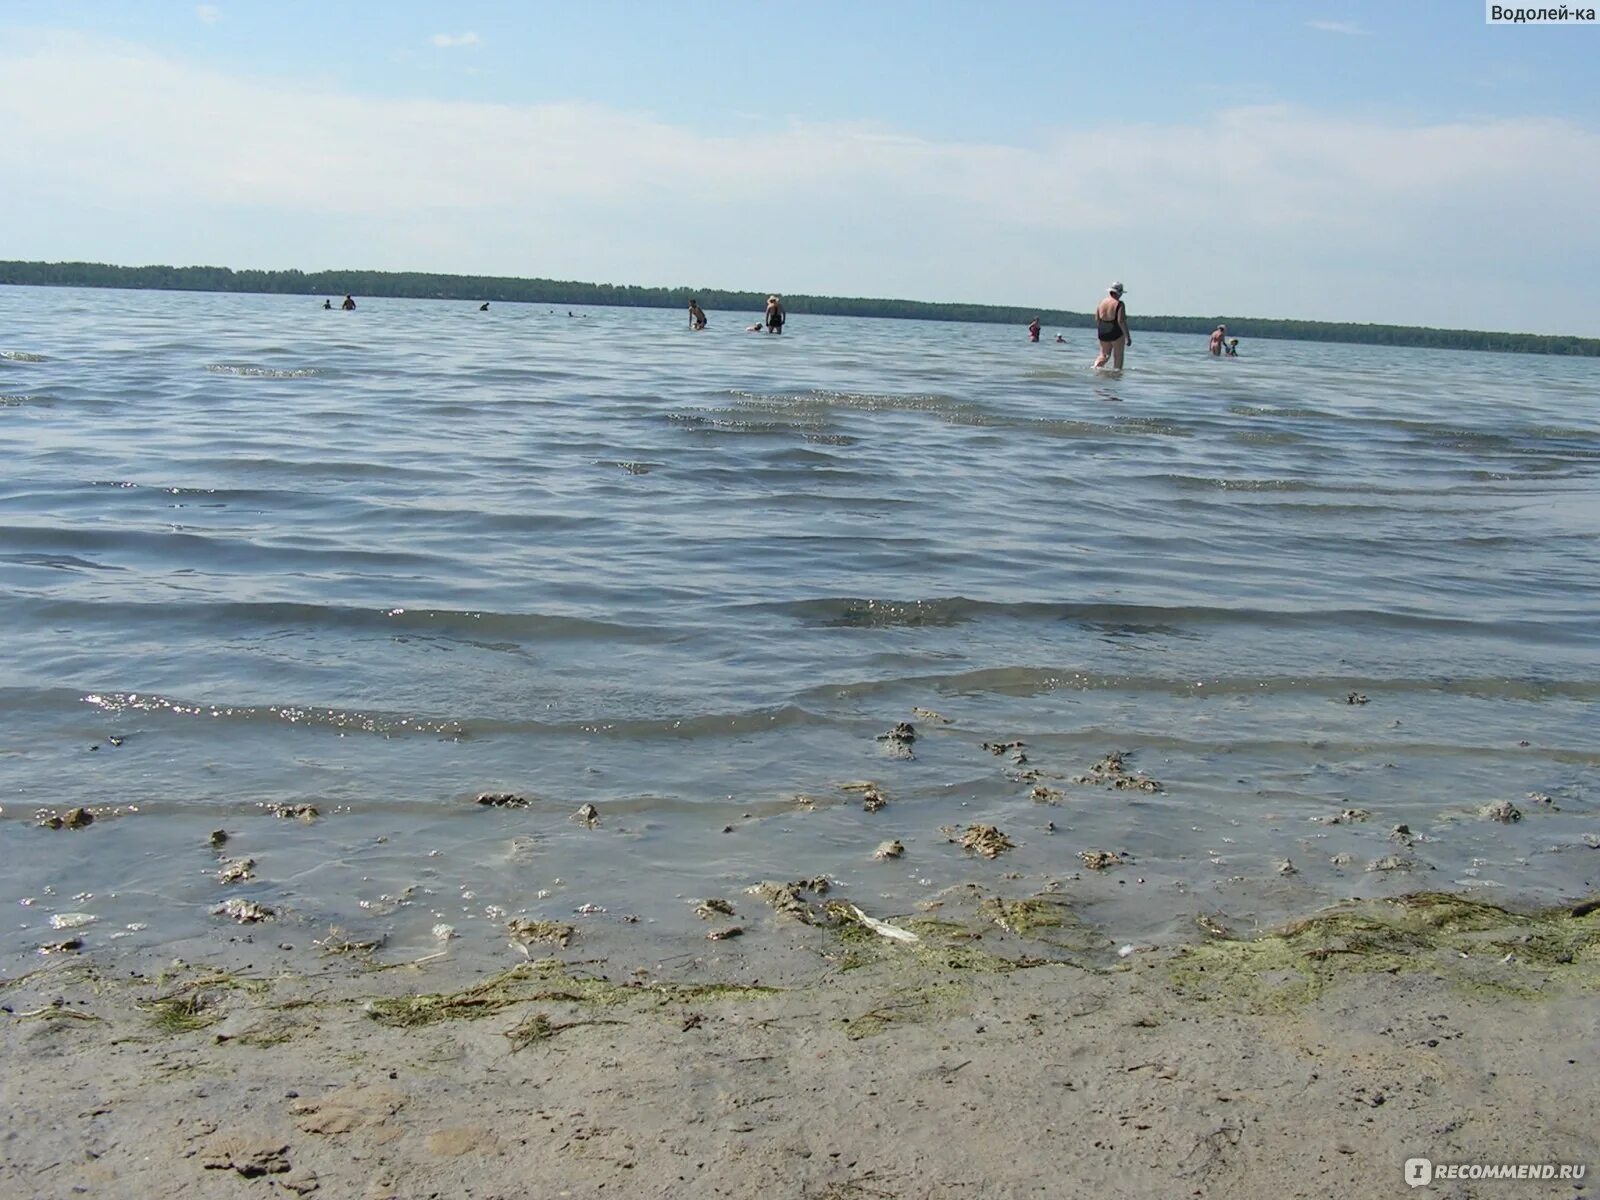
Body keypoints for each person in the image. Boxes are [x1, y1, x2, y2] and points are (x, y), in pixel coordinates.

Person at [1093, 283, 1130, 369]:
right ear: (1119, 293)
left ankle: (1095, 368)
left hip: (1102, 330)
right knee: (1118, 356)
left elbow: (1097, 318)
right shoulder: (1119, 304)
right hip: (1115, 330)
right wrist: (1127, 337)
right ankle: (1116, 377)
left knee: (1104, 355)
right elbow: (1121, 321)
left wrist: (1101, 331)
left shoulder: (1101, 302)